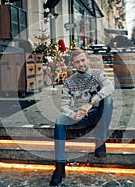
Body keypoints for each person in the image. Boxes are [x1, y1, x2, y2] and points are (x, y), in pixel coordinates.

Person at [49, 49, 114, 186]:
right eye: (77, 62)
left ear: (88, 60)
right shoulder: (69, 82)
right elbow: (64, 106)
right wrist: (75, 114)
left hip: (98, 115)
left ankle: (100, 141)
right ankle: (60, 167)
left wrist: (90, 103)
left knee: (108, 100)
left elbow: (109, 87)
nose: (81, 64)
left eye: (83, 60)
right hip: (81, 117)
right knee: (59, 121)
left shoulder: (98, 74)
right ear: (73, 64)